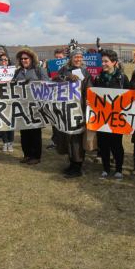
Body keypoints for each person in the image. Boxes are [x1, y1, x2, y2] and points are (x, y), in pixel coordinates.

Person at [54, 47, 93, 178]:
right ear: (71, 58)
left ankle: (78, 166)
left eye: (80, 57)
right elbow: (55, 81)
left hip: (79, 110)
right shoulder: (64, 70)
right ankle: (71, 163)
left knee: (77, 138)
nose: (78, 59)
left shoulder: (85, 73)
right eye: (76, 57)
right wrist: (66, 77)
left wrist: (88, 103)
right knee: (67, 138)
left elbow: (89, 90)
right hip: (65, 110)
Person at [94, 49, 130, 179]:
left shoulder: (122, 78)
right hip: (102, 118)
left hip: (116, 118)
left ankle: (118, 169)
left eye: (106, 61)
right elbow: (94, 95)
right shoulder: (98, 78)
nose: (103, 64)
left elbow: (129, 96)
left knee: (116, 145)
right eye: (102, 61)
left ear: (114, 62)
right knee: (103, 144)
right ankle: (105, 168)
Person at [12, 48, 50, 165]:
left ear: (31, 59)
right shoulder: (18, 72)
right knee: (24, 133)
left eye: (26, 58)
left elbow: (46, 84)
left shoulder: (39, 70)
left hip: (35, 107)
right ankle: (27, 154)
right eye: (22, 59)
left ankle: (36, 156)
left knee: (35, 132)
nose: (24, 60)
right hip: (22, 107)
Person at [46, 47, 67, 150]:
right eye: (57, 57)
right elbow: (48, 79)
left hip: (66, 96)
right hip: (54, 95)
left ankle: (64, 142)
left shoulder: (68, 67)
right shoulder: (52, 67)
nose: (58, 59)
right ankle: (55, 142)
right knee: (55, 119)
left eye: (60, 57)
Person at [0, 54, 15, 152]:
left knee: (11, 122)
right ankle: (5, 142)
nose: (4, 61)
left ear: (8, 61)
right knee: (2, 122)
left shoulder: (13, 71)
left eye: (5, 60)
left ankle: (10, 143)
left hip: (11, 100)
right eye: (1, 60)